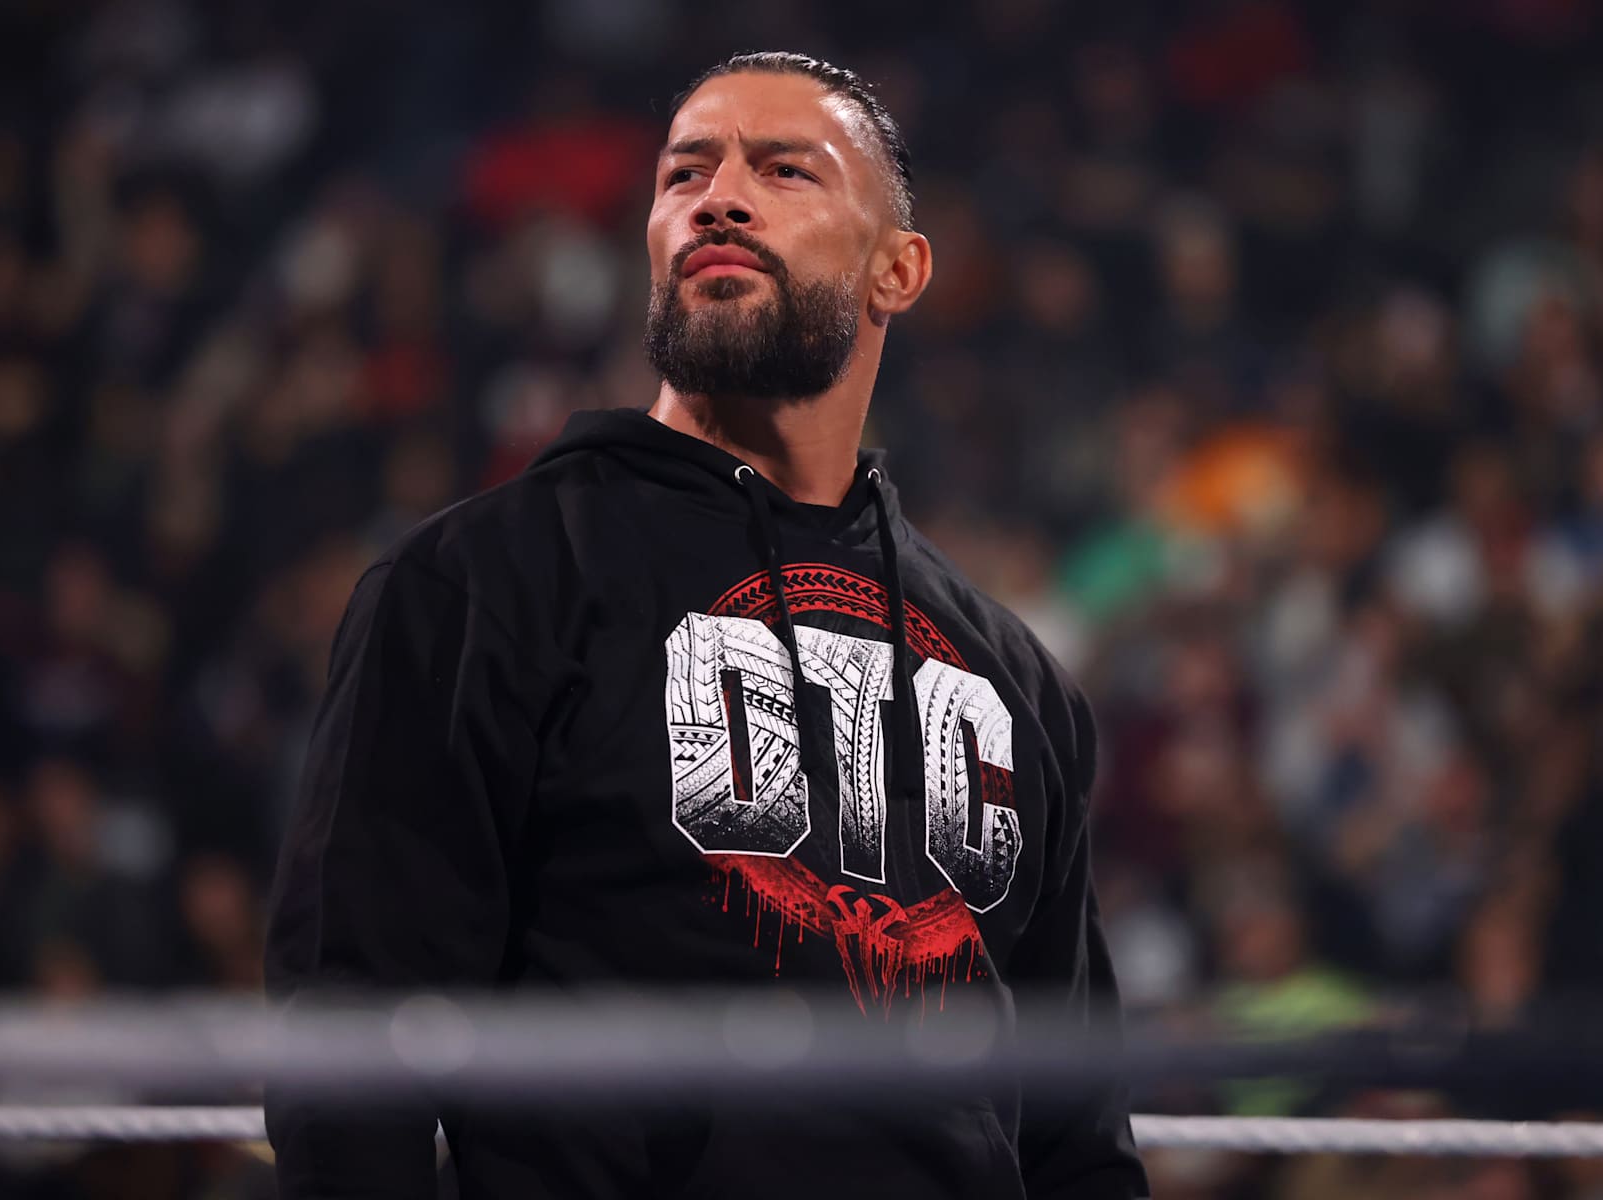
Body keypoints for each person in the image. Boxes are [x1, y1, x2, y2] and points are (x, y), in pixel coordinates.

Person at [265, 51, 1149, 1200]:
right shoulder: (483, 583)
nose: (717, 197)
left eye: (787, 171)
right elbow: (352, 1042)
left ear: (899, 270)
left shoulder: (1015, 679)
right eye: (684, 173)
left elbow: (1074, 1133)